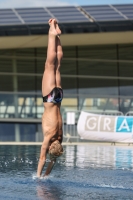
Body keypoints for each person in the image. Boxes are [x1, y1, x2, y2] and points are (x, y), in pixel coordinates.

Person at [37, 18, 63, 177]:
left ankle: (58, 35)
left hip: (59, 97)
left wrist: (48, 174)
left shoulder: (60, 137)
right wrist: (39, 176)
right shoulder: (50, 136)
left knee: (58, 64)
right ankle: (52, 33)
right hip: (49, 99)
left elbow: (53, 160)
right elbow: (42, 158)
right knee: (49, 65)